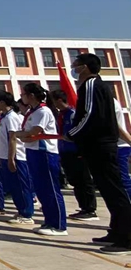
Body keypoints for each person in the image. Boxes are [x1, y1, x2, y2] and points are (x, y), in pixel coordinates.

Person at [68, 53, 131, 254]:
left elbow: (88, 115)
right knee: (108, 191)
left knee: (114, 191)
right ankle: (117, 231)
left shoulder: (91, 85)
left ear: (85, 67)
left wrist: (72, 133)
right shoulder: (100, 86)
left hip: (100, 145)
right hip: (100, 145)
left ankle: (127, 238)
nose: (74, 68)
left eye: (76, 65)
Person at [14, 83, 66, 235]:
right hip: (33, 151)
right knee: (41, 189)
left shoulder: (43, 111)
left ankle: (59, 225)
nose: (22, 97)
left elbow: (34, 132)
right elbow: (27, 134)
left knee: (51, 189)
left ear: (31, 96)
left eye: (23, 94)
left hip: (45, 153)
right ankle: (49, 221)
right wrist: (23, 135)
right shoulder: (33, 112)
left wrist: (19, 135)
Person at [51, 90, 97, 220]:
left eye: (54, 101)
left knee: (83, 180)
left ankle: (90, 208)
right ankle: (83, 207)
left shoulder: (73, 114)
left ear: (60, 100)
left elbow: (82, 133)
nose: (54, 104)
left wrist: (82, 150)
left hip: (76, 152)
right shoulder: (61, 115)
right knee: (75, 181)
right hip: (65, 151)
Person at [0, 91, 34, 226]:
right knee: (14, 187)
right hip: (5, 156)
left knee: (21, 186)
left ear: (2, 103)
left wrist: (11, 158)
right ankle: (21, 210)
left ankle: (27, 213)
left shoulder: (11, 118)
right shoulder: (3, 118)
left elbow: (13, 138)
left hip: (16, 157)